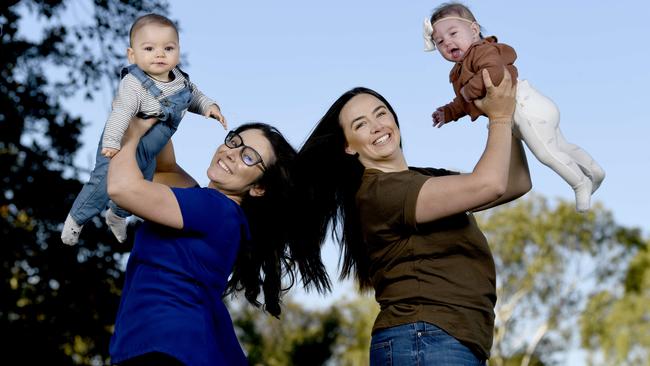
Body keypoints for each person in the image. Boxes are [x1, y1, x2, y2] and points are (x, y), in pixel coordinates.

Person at [292, 69, 531, 365]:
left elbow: (514, 182)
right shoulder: (381, 192)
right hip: (425, 339)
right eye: (361, 124)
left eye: (381, 114)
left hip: (442, 340)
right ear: (348, 146)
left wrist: (506, 116)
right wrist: (500, 116)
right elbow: (489, 184)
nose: (377, 126)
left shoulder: (421, 179)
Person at [106, 117, 330, 366]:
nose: (231, 153)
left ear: (258, 188)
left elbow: (121, 189)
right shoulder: (212, 208)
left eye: (248, 157)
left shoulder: (216, 209)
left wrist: (130, 129)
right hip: (167, 347)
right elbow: (164, 168)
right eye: (234, 142)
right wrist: (156, 112)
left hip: (166, 348)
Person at [422, 2, 604, 212]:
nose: (447, 43)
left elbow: (494, 73)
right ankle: (595, 171)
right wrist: (448, 112)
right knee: (561, 147)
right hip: (524, 110)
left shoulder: (483, 51)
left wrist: (466, 92)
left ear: (474, 30)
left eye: (453, 33)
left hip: (524, 108)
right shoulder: (462, 69)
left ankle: (580, 183)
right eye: (440, 42)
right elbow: (466, 102)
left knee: (546, 153)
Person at [61, 13, 226, 245]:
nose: (160, 54)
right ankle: (76, 219)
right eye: (149, 48)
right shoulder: (134, 83)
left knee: (142, 183)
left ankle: (117, 216)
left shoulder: (180, 80)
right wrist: (111, 142)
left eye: (168, 48)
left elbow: (194, 97)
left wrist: (209, 107)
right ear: (132, 54)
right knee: (102, 182)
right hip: (123, 140)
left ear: (178, 51)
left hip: (151, 147)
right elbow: (120, 112)